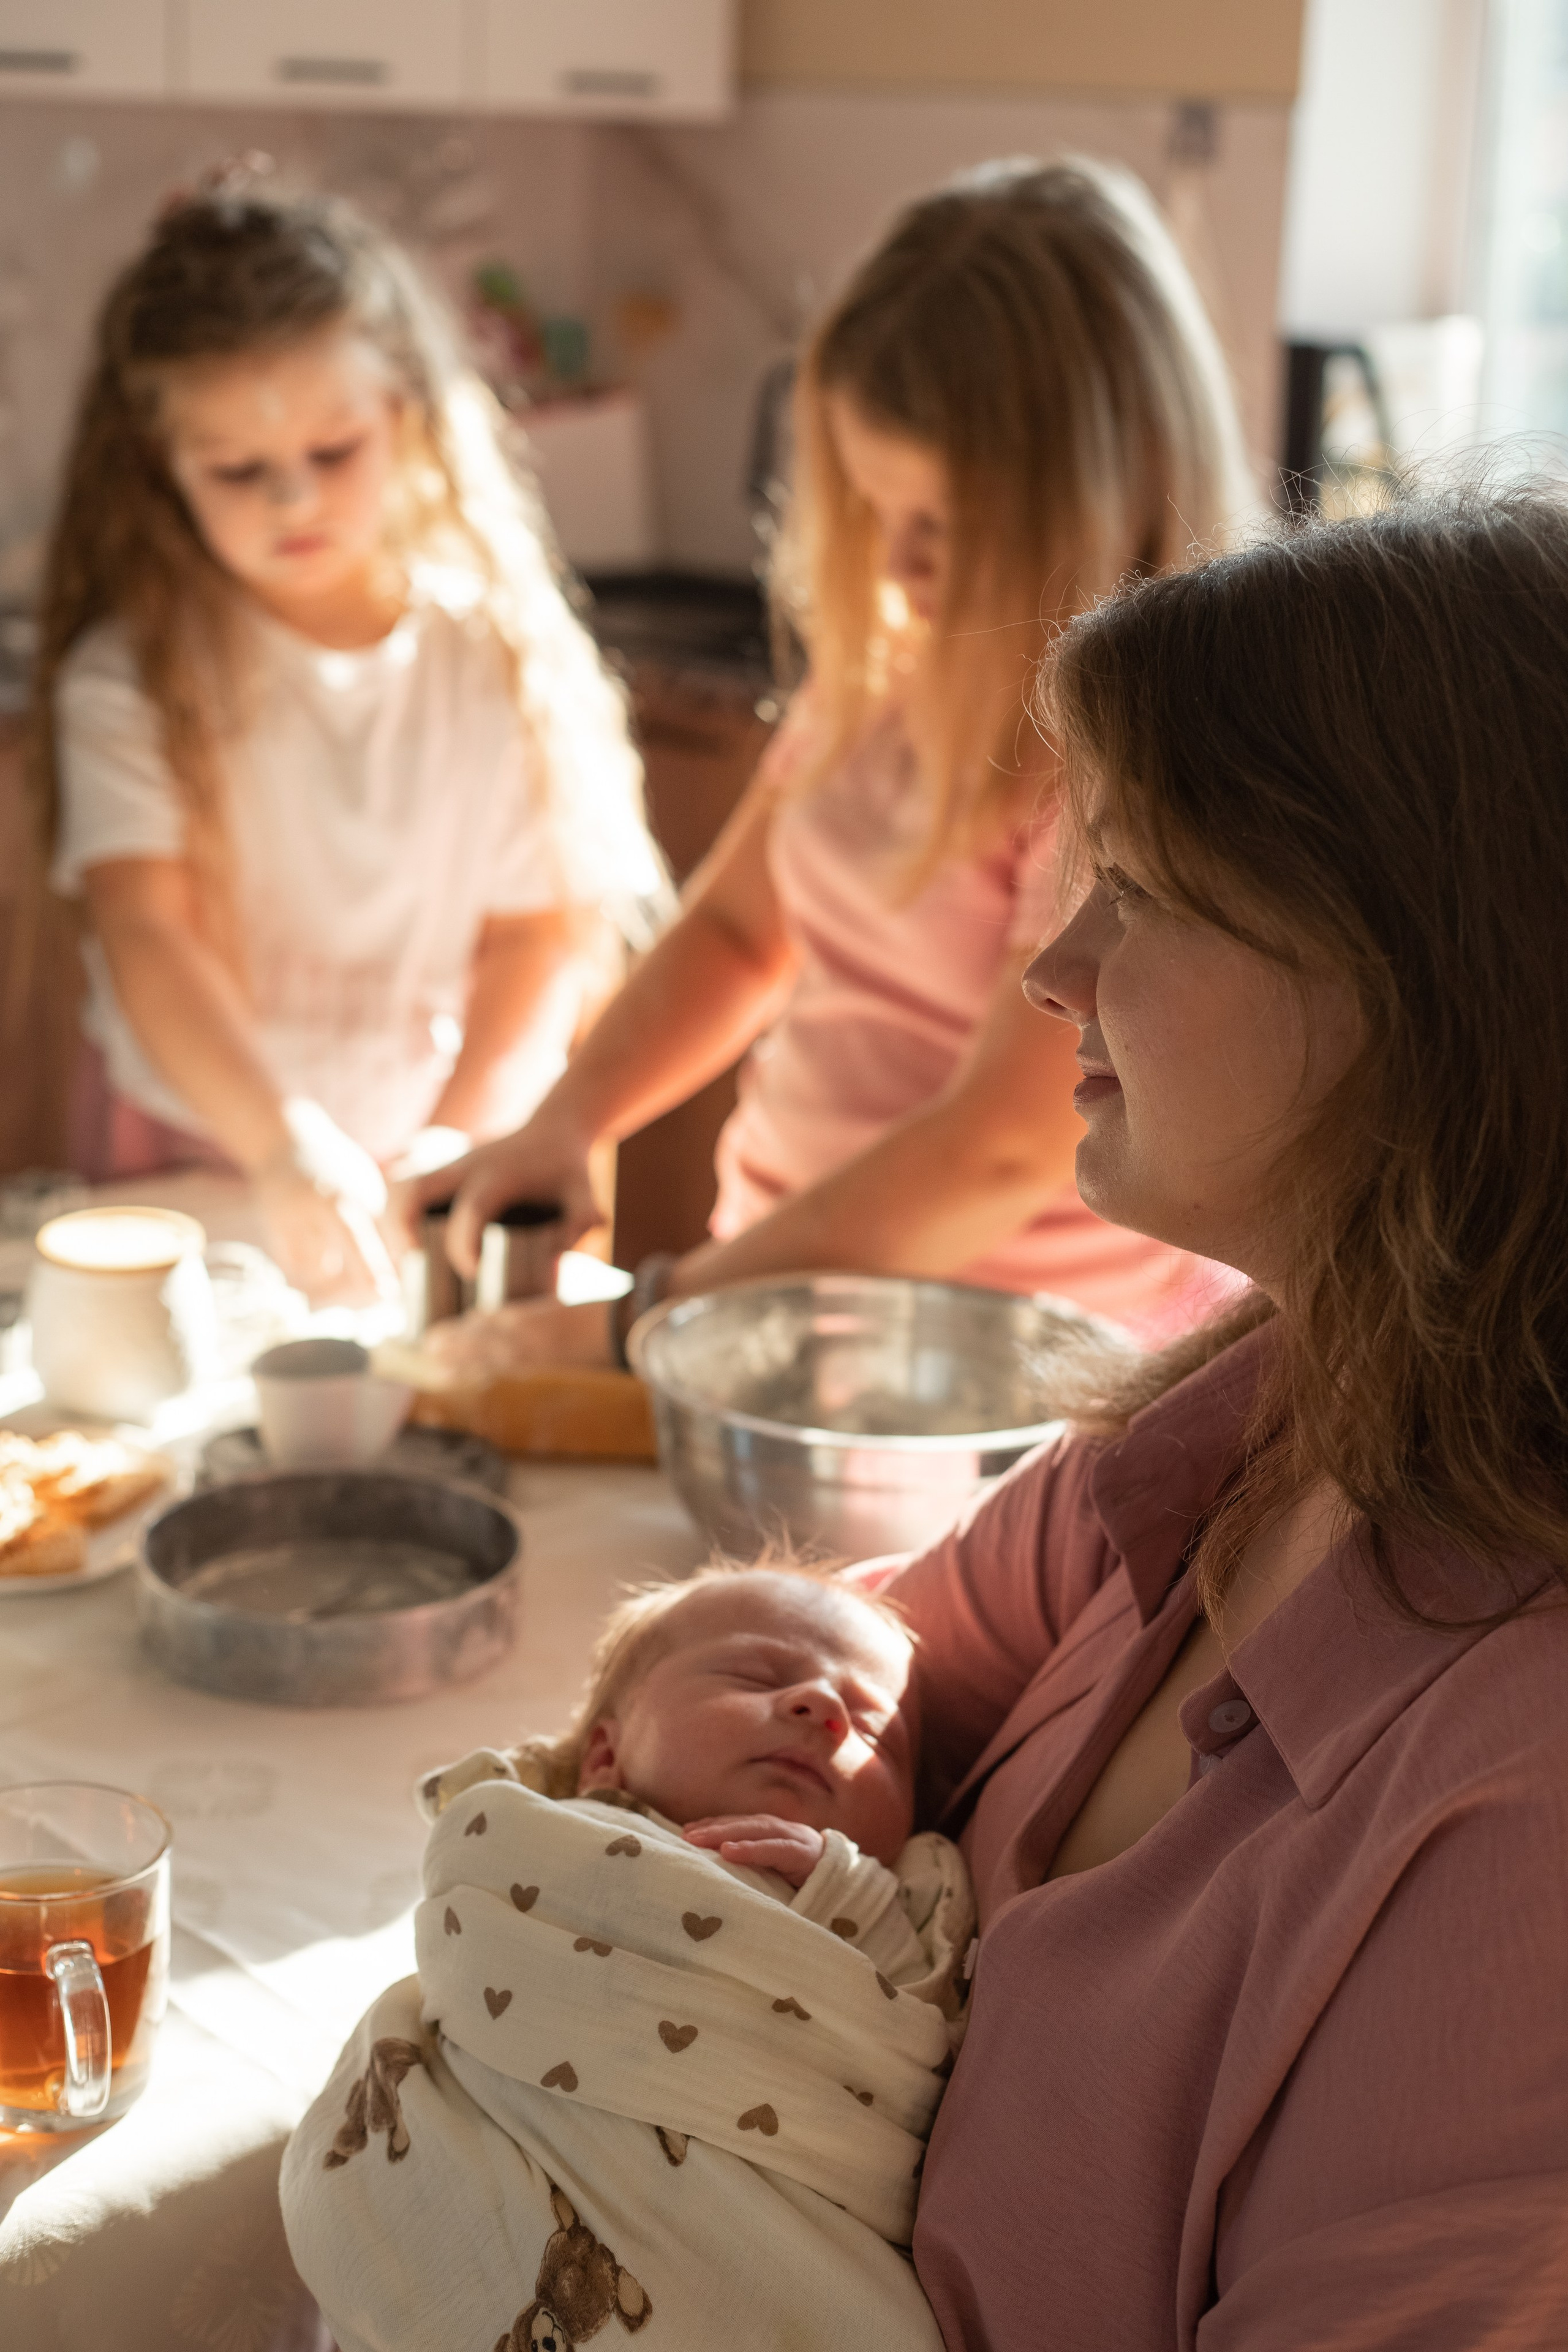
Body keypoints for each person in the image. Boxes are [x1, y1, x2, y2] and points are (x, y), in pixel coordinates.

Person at [869, 490, 1568, 2346]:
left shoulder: (1524, 1832)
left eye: (1149, 891)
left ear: (1437, 984)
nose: (1054, 968)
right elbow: (870, 1650)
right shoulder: (1255, 1415)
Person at [407, 157, 1254, 1360]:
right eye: (873, 512)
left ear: (1096, 498)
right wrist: (567, 1121)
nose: (898, 572)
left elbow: (998, 1148)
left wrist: (655, 1319)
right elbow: (738, 934)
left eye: (941, 530)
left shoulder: (1131, 767)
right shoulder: (891, 680)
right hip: (784, 1292)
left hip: (1005, 1371)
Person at [34, 177, 663, 1300]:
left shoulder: (494, 662)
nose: (293, 501)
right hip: (194, 1137)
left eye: (334, 451)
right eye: (237, 471)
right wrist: (281, 1144)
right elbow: (148, 934)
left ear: (406, 421)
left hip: (430, 1136)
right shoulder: (131, 676)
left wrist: (459, 1135)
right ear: (156, 464)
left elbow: (538, 940)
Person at [280, 1563, 974, 2352]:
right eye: (757, 1674)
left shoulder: (905, 1900)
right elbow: (468, 1951)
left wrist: (854, 1893)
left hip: (762, 2243)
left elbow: (922, 2036)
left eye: (877, 1731)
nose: (823, 1712)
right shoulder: (538, 1836)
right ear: (605, 1754)